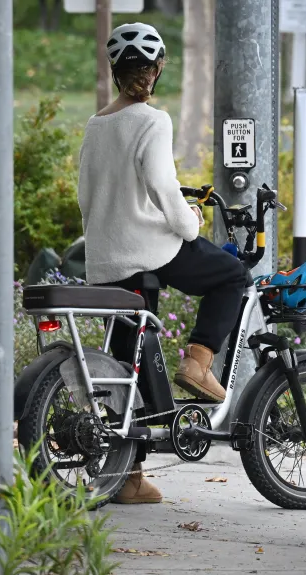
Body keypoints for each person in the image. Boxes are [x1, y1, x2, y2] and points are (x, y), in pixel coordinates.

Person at [77, 22, 249, 504]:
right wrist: (190, 222)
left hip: (107, 256)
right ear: (155, 72)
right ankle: (198, 363)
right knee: (231, 274)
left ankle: (128, 478)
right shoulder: (152, 121)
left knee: (128, 360)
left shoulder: (96, 124)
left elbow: (86, 195)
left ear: (116, 72)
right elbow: (161, 185)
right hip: (149, 249)